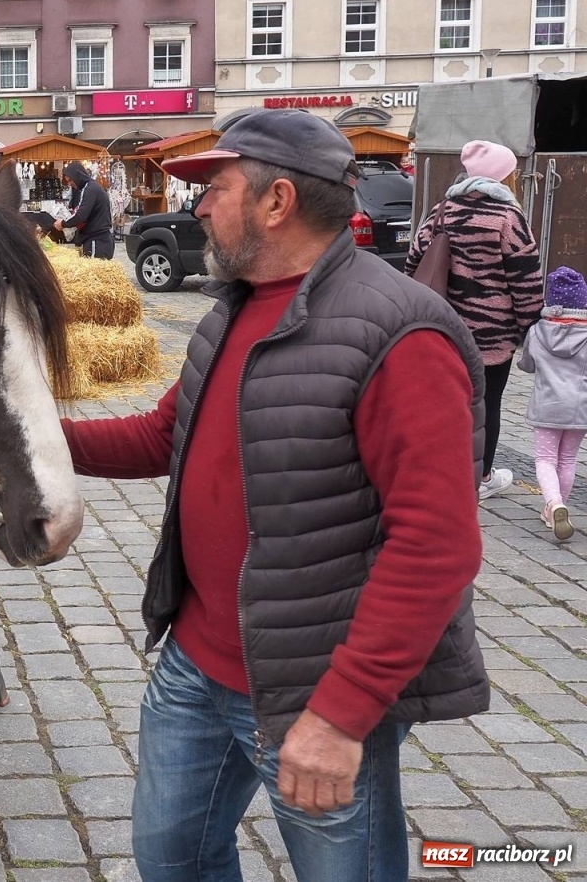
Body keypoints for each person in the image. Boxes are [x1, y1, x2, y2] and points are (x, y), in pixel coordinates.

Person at [59, 110, 488, 882]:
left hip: (312, 688)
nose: (197, 208)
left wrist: (342, 714)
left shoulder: (401, 333)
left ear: (277, 201)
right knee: (173, 860)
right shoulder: (233, 306)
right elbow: (165, 435)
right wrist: (28, 439)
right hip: (196, 663)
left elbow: (437, 546)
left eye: (214, 189)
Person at [405, 139, 544, 500]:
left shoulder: (442, 210)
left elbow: (413, 263)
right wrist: (530, 327)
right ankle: (480, 477)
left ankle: (439, 470)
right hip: (492, 335)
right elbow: (526, 280)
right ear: (504, 176)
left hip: (444, 330)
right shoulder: (508, 217)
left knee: (446, 403)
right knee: (486, 404)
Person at [516, 266, 587, 541]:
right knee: (567, 459)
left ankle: (554, 504)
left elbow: (526, 364)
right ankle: (558, 508)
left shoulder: (537, 332)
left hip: (547, 406)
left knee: (545, 459)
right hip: (580, 408)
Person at [53, 160, 114, 258]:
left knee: (93, 267)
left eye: (70, 180)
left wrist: (63, 224)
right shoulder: (91, 187)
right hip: (99, 240)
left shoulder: (89, 189)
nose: (70, 184)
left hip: (97, 241)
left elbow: (80, 216)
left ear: (77, 176)